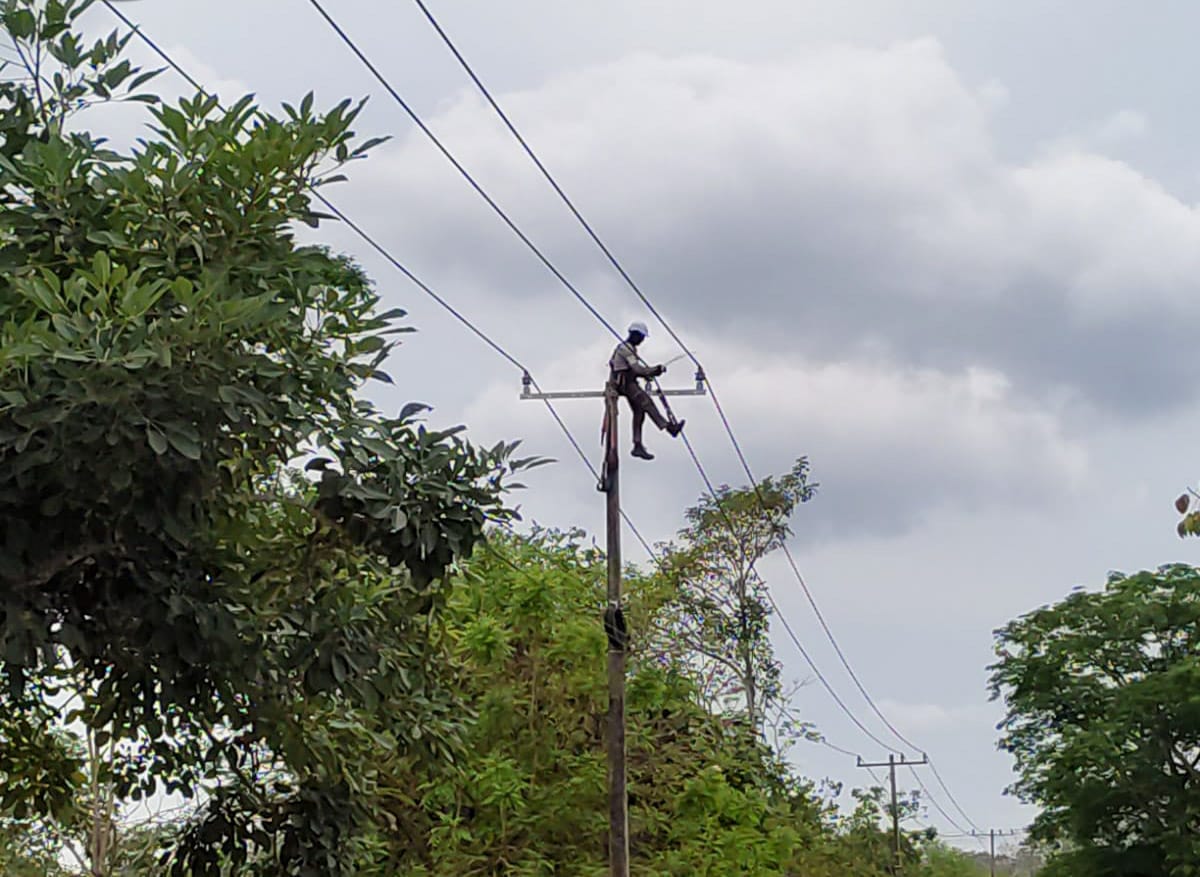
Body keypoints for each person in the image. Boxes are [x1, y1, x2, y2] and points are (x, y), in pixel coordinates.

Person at [608, 321, 684, 460]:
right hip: (624, 383)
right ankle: (668, 427)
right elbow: (637, 369)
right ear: (635, 335)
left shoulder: (630, 349)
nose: (642, 340)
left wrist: (648, 374)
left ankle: (637, 445)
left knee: (639, 411)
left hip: (627, 381)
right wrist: (654, 370)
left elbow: (634, 370)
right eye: (641, 337)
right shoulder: (625, 349)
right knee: (646, 402)